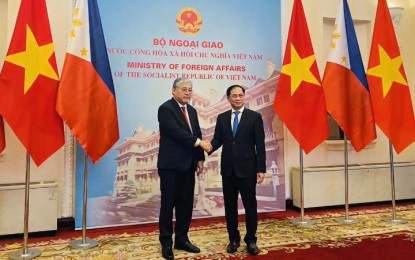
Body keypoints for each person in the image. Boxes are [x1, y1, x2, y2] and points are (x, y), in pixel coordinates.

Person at [157, 78, 212, 260]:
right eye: (184, 89)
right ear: (174, 91)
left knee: (186, 205)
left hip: (188, 165)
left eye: (190, 90)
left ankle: (182, 239)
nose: (188, 92)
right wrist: (199, 143)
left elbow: (197, 133)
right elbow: (175, 132)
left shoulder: (193, 111)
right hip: (170, 166)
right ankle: (166, 243)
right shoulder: (166, 109)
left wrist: (199, 159)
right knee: (168, 205)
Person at [208, 84, 266, 256]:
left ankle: (251, 240)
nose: (238, 98)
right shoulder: (222, 118)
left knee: (250, 206)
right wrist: (205, 147)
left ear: (244, 97)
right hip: (228, 170)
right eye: (234, 96)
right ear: (228, 98)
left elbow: (260, 145)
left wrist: (261, 168)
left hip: (248, 170)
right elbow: (217, 140)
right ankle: (233, 239)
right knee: (230, 206)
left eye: (240, 95)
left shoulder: (254, 117)